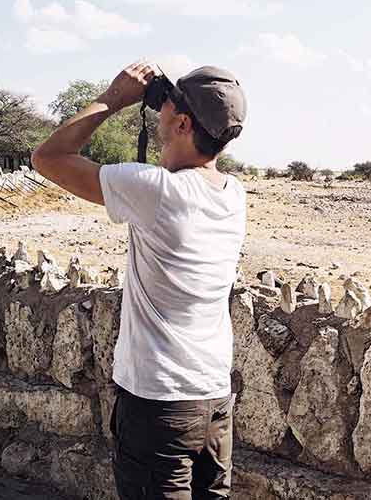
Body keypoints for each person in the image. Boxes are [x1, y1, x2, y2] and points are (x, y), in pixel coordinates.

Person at [32, 61, 248, 499]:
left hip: (159, 404)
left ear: (183, 124)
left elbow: (47, 158)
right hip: (213, 399)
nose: (159, 109)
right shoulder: (233, 194)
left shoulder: (156, 190)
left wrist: (114, 97)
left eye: (168, 104)